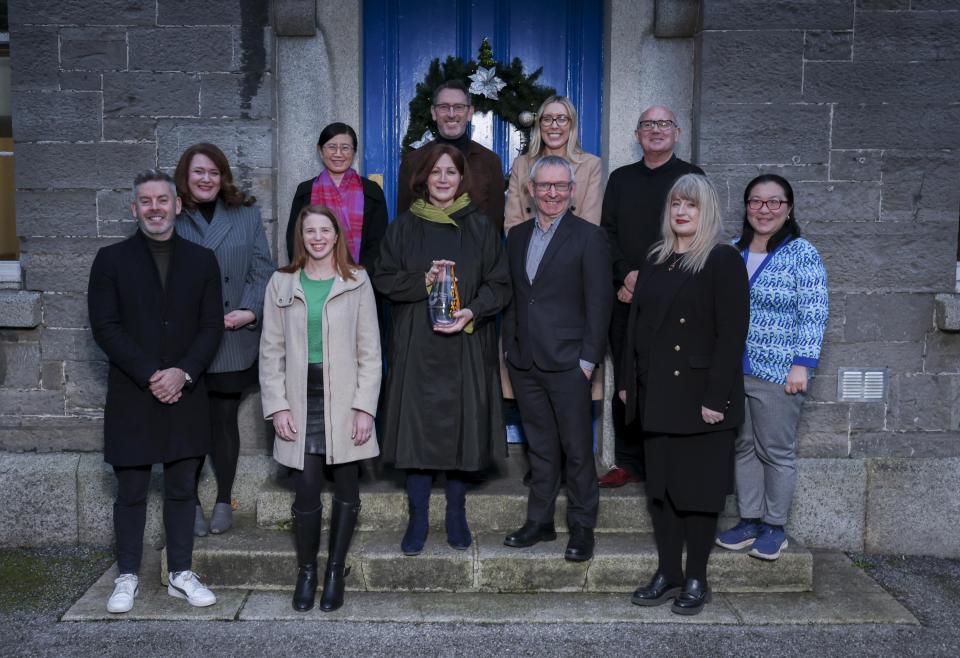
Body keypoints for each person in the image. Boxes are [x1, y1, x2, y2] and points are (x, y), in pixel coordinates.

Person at [89, 170, 223, 614]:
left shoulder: (203, 260)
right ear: (134, 209)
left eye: (162, 200)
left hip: (186, 393)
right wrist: (152, 374)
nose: (154, 208)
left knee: (183, 487)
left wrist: (182, 373)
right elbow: (105, 327)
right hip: (134, 393)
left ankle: (180, 573)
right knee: (130, 490)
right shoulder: (110, 260)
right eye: (145, 201)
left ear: (177, 206)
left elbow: (210, 327)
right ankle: (126, 574)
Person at [618, 174, 749, 616]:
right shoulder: (655, 259)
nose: (681, 212)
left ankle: (696, 578)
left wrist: (716, 398)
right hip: (656, 396)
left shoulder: (721, 259)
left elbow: (732, 336)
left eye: (691, 205)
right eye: (676, 203)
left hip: (700, 400)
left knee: (698, 494)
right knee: (663, 493)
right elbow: (635, 326)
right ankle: (668, 572)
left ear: (705, 210)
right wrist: (627, 382)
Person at [374, 142, 511, 556]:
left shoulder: (480, 227)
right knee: (418, 429)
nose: (443, 179)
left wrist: (473, 310)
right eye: (436, 172)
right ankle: (417, 516)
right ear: (423, 178)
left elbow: (500, 283)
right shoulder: (403, 226)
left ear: (461, 179)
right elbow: (382, 278)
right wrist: (424, 281)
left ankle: (455, 512)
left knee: (459, 428)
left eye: (451, 172)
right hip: (416, 342)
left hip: (465, 342)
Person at [260, 204, 382, 612]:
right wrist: (277, 406)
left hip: (345, 396)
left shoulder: (357, 280)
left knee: (347, 482)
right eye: (309, 230)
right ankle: (307, 570)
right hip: (300, 395)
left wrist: (365, 407)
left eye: (324, 230)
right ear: (301, 236)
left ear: (336, 235)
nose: (317, 237)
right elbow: (271, 352)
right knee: (307, 484)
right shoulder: (281, 282)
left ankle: (335, 570)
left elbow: (370, 351)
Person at [501, 155, 612, 562]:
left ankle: (582, 528)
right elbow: (515, 297)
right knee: (541, 448)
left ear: (572, 191)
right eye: (544, 186)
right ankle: (541, 521)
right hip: (526, 361)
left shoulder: (589, 237)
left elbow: (600, 305)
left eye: (560, 186)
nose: (552, 193)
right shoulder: (515, 236)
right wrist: (511, 350)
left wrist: (587, 361)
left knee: (578, 450)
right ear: (530, 190)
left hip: (569, 363)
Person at [715, 174, 828, 561]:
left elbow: (814, 312)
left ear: (788, 208)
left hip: (779, 371)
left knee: (776, 450)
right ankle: (749, 519)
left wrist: (802, 364)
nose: (765, 210)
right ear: (746, 207)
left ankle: (774, 527)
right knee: (743, 446)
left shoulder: (801, 253)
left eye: (774, 202)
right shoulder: (731, 251)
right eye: (756, 202)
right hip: (733, 370)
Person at [600, 105, 704, 488]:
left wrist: (649, 281)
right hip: (624, 294)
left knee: (667, 376)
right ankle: (627, 461)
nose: (655, 130)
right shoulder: (621, 179)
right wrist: (625, 275)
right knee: (627, 376)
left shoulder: (692, 177)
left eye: (663, 124)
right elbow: (606, 233)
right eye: (647, 124)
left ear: (677, 132)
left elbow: (699, 235)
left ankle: (665, 458)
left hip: (673, 298)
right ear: (637, 134)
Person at [174, 143, 275, 537]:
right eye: (199, 172)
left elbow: (262, 269)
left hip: (233, 334)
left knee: (222, 421)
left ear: (223, 177)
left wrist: (250, 311)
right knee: (188, 422)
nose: (206, 179)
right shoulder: (173, 212)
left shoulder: (245, 213)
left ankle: (223, 499)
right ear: (186, 175)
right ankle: (190, 502)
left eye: (214, 173)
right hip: (188, 339)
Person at [397, 80, 505, 231]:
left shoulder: (490, 161)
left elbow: (495, 223)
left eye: (459, 107)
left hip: (476, 253)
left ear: (470, 112)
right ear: (434, 113)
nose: (451, 114)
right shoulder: (413, 162)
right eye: (444, 107)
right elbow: (403, 224)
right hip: (425, 252)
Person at [284, 122, 388, 274]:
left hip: (361, 278)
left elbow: (379, 242)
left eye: (345, 148)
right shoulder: (305, 191)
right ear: (320, 151)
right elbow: (294, 239)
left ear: (354, 152)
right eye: (332, 147)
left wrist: (359, 275)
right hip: (313, 278)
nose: (338, 154)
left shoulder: (371, 191)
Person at [503, 95, 602, 232]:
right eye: (547, 119)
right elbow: (512, 224)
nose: (554, 126)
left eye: (562, 119)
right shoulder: (521, 165)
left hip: (574, 251)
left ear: (571, 125)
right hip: (529, 249)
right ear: (539, 125)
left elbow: (590, 225)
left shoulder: (591, 165)